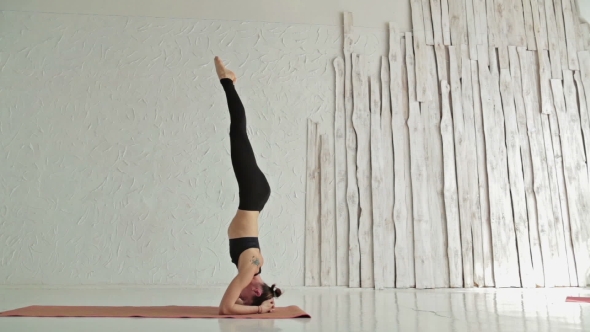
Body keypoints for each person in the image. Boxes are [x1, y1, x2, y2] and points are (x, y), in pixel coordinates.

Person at [214, 56, 283, 315]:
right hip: (253, 193)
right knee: (238, 133)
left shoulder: (255, 267)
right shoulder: (250, 268)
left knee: (237, 134)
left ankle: (228, 81)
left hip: (255, 195)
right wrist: (258, 311)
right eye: (247, 297)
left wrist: (260, 304)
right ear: (255, 290)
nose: (240, 296)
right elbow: (225, 308)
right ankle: (227, 80)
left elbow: (235, 303)